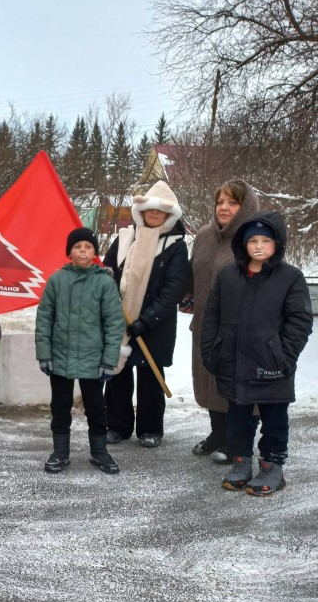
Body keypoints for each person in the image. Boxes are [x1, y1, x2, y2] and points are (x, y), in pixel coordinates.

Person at [201, 212, 312, 496]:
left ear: (278, 244)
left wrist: (283, 355)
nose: (259, 246)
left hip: (272, 366)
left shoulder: (290, 277)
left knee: (274, 419)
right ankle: (241, 462)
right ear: (243, 244)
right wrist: (213, 351)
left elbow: (300, 321)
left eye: (266, 240)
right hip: (234, 364)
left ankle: (272, 466)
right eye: (253, 240)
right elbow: (211, 316)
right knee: (237, 418)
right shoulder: (228, 275)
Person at [103, 180, 189, 449]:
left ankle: (150, 429)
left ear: (168, 215)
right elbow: (106, 271)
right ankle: (117, 425)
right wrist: (106, 283)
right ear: (141, 211)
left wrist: (146, 320)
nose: (154, 214)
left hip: (155, 324)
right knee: (118, 374)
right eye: (150, 209)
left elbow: (173, 289)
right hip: (121, 319)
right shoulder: (125, 237)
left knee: (151, 376)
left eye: (160, 211)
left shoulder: (176, 246)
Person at [35, 227, 126, 474]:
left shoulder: (104, 283)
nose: (82, 250)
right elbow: (44, 319)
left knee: (96, 407)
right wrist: (44, 353)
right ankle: (60, 452)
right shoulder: (57, 280)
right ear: (69, 252)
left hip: (93, 359)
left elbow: (114, 323)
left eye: (87, 246)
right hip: (60, 358)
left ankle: (99, 452)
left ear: (95, 252)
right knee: (60, 406)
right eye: (77, 247)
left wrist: (109, 360)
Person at [181, 179, 260, 463]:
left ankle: (237, 441)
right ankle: (218, 434)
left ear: (246, 206)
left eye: (233, 202)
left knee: (237, 388)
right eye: (220, 202)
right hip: (205, 326)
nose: (224, 208)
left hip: (240, 330)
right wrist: (188, 294)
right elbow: (194, 272)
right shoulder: (204, 235)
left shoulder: (255, 239)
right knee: (209, 383)